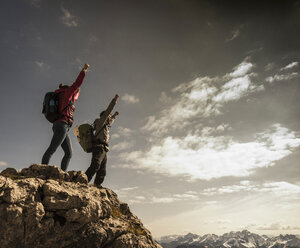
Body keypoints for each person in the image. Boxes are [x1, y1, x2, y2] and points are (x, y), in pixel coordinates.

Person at [42, 63, 90, 171]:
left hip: (62, 126)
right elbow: (77, 84)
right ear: (68, 90)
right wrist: (84, 70)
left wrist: (77, 92)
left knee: (69, 153)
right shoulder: (66, 95)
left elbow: (76, 95)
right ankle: (42, 170)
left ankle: (63, 174)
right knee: (52, 149)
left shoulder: (63, 96)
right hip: (61, 125)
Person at [85, 94, 120, 186]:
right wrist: (114, 100)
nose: (110, 117)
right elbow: (109, 110)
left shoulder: (105, 126)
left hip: (104, 149)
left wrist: (115, 116)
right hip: (98, 147)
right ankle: (83, 179)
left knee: (102, 170)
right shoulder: (100, 122)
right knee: (95, 165)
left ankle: (97, 185)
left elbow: (111, 120)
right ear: (104, 117)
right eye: (109, 116)